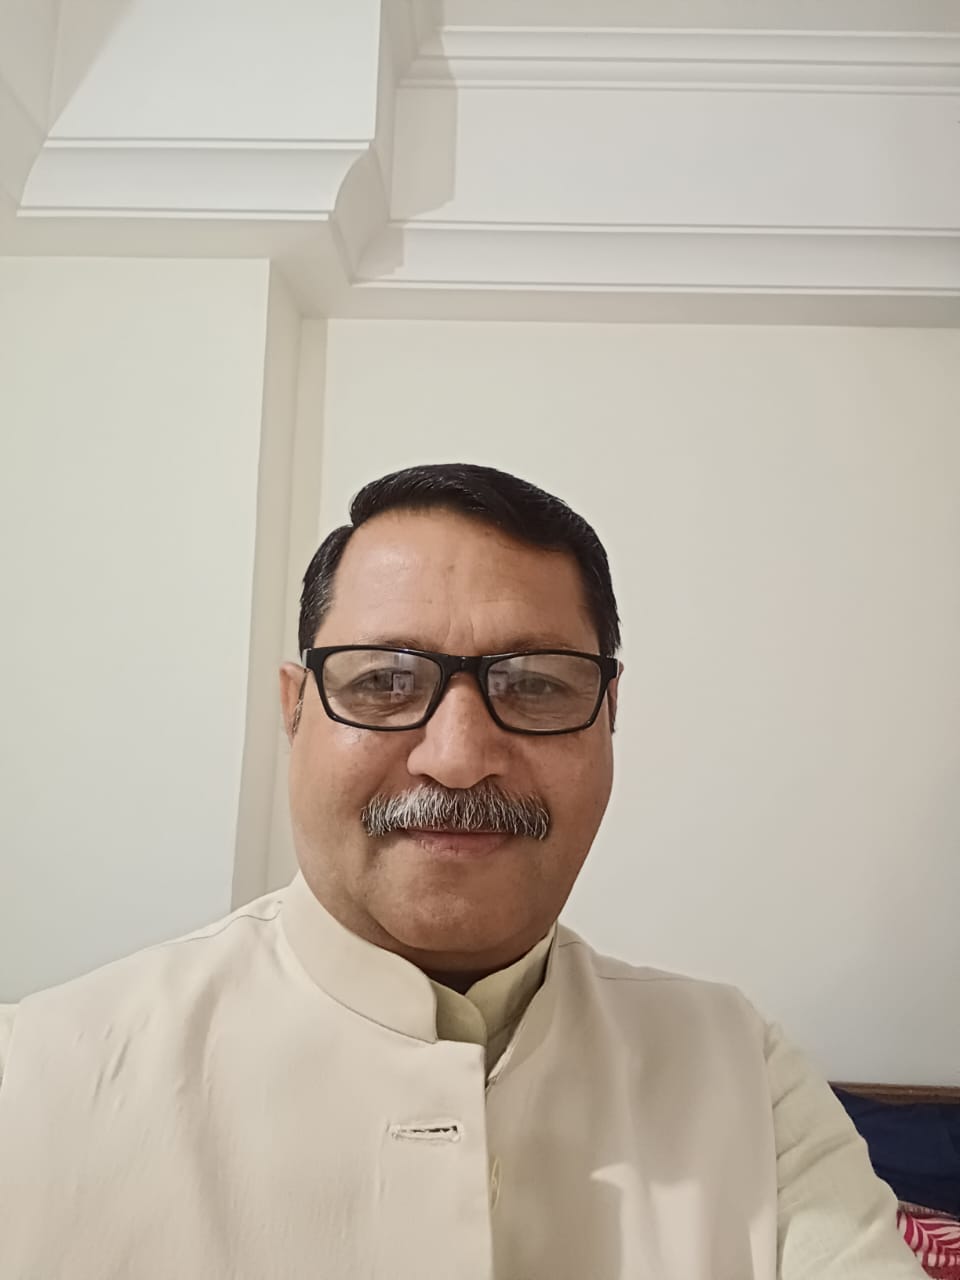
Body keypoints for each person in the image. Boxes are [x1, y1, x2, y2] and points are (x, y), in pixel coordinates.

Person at [0, 463, 924, 1279]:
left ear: (609, 714)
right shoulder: (40, 1080)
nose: (456, 757)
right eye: (383, 682)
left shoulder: (740, 1071)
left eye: (536, 685)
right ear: (295, 710)